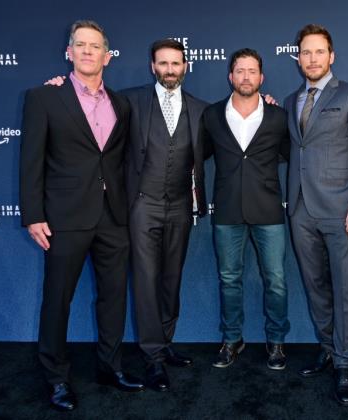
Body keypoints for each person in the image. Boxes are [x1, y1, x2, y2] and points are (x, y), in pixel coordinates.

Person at [19, 20, 144, 411]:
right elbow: (31, 161)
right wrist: (33, 213)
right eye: (81, 45)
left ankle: (110, 367)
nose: (88, 51)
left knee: (112, 298)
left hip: (113, 217)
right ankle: (56, 379)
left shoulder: (121, 104)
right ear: (69, 52)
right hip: (64, 216)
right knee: (58, 300)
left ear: (107, 56)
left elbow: (121, 160)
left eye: (95, 46)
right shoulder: (44, 98)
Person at [284, 24, 348, 406]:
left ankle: (345, 363)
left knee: (346, 289)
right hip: (301, 209)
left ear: (331, 56)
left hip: (344, 210)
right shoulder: (293, 99)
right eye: (305, 53)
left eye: (318, 52)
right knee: (315, 286)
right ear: (298, 58)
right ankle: (327, 346)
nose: (312, 59)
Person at [122, 39, 207, 392]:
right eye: (163, 63)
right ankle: (153, 357)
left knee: (172, 278)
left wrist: (267, 104)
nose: (170, 69)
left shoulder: (201, 109)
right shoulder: (128, 101)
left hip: (181, 206)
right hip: (143, 204)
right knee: (145, 280)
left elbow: (236, 134)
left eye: (176, 63)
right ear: (152, 67)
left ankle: (165, 340)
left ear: (185, 66)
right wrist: (59, 87)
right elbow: (88, 114)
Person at [199, 48, 291, 370]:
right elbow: (199, 156)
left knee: (276, 280)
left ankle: (276, 341)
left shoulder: (279, 117)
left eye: (252, 71)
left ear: (261, 77)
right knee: (229, 279)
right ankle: (232, 339)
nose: (246, 77)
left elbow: (290, 156)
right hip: (226, 211)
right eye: (240, 71)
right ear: (231, 76)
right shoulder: (211, 116)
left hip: (268, 211)